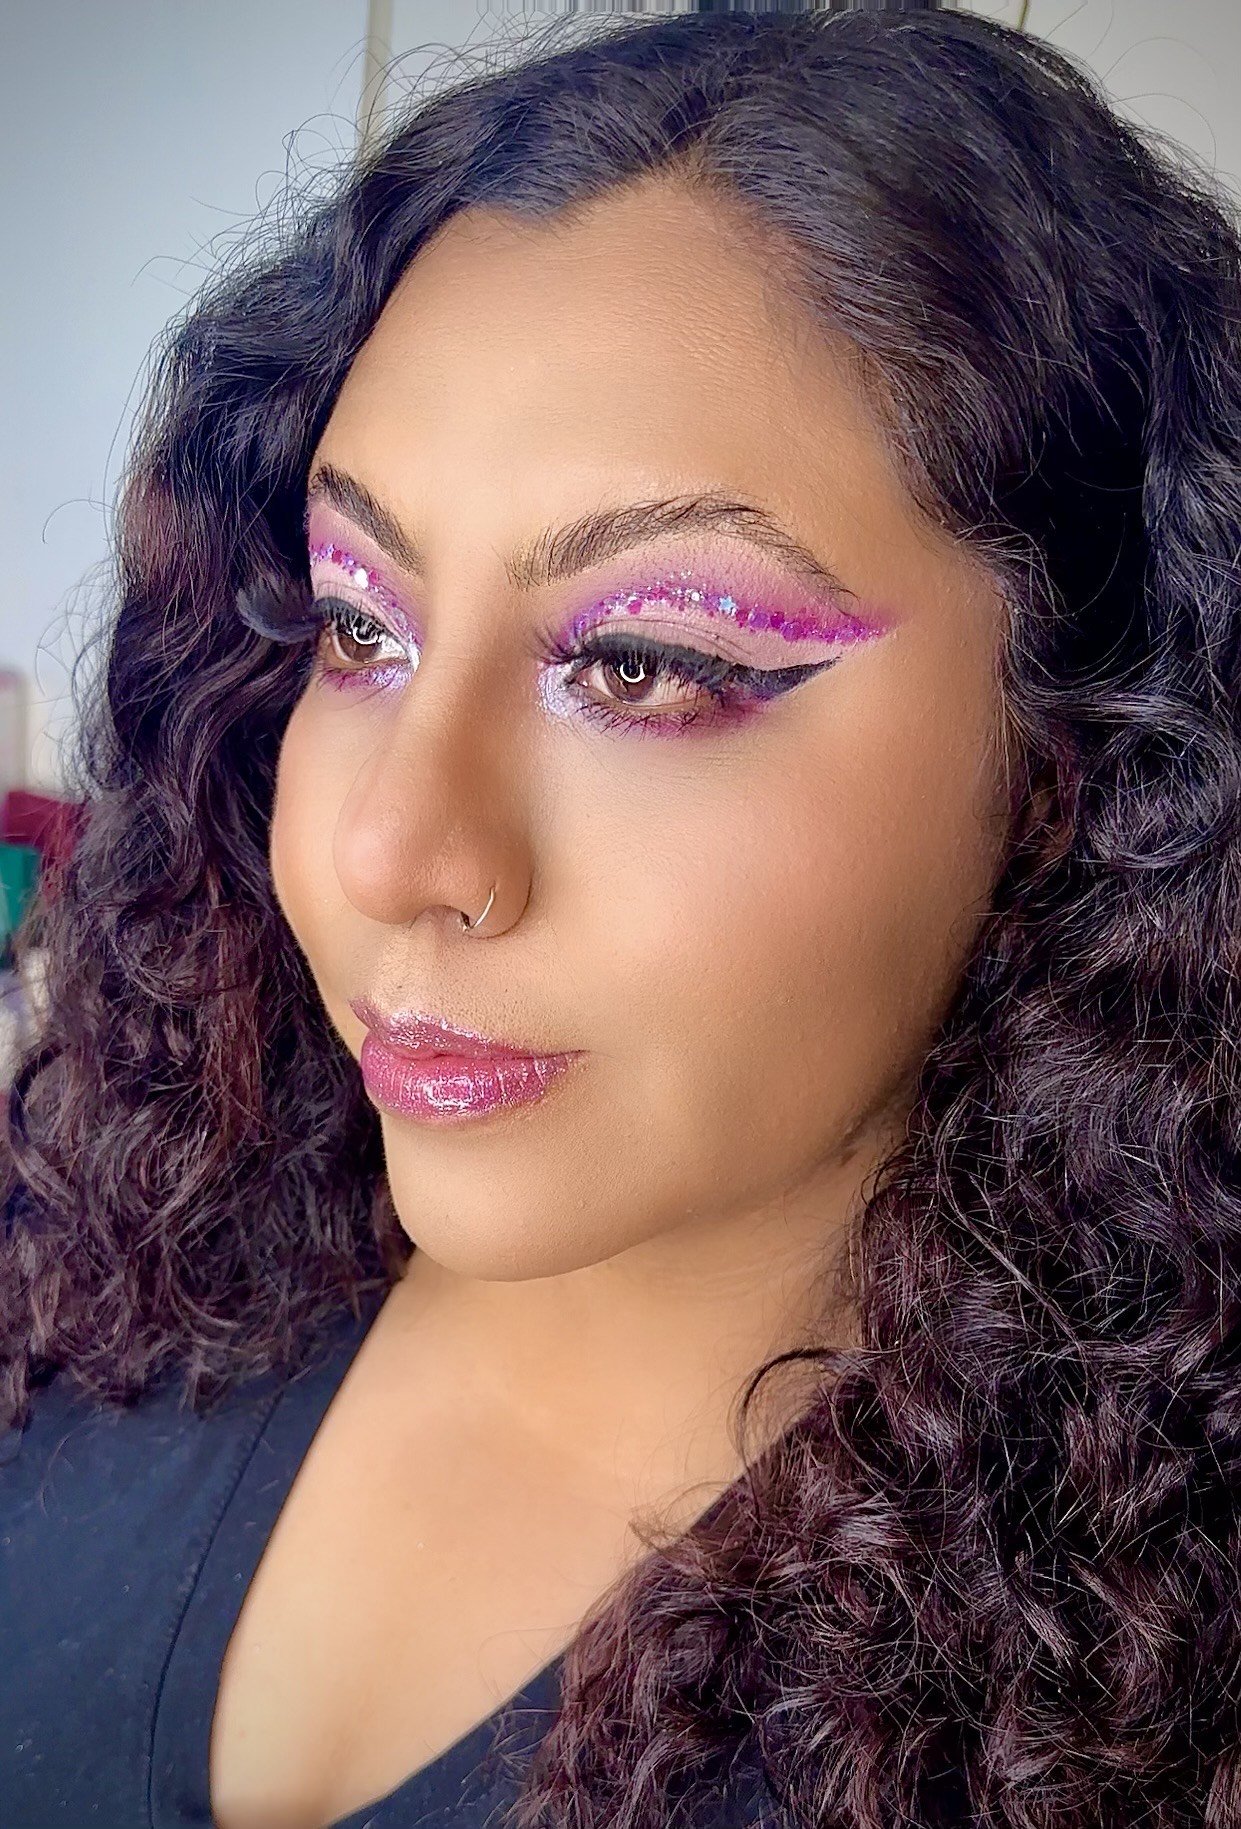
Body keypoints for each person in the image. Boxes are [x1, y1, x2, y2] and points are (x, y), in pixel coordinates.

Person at [4, 7, 1241, 1827]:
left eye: (650, 662)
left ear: (1078, 755)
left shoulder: (1144, 1712)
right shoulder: (112, 1247)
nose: (390, 850)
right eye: (358, 625)